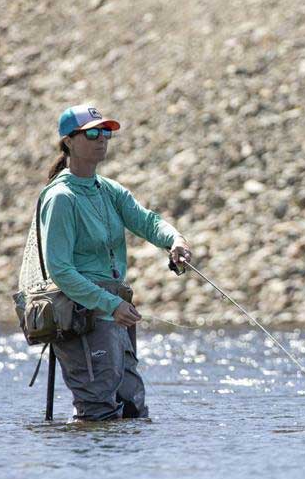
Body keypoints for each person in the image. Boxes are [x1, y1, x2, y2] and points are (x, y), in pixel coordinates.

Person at [38, 104, 192, 421]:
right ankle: (91, 470)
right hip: (83, 311)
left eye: (106, 132)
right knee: (97, 411)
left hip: (114, 309)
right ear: (68, 140)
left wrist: (174, 240)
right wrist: (110, 305)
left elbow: (147, 221)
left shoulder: (108, 190)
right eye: (92, 133)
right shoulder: (61, 198)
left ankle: (125, 471)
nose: (102, 139)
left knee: (133, 407)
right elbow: (61, 270)